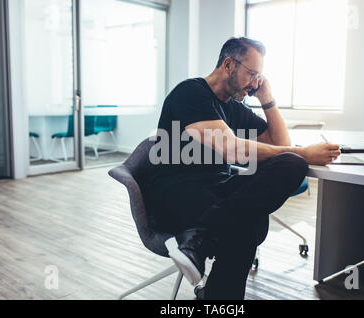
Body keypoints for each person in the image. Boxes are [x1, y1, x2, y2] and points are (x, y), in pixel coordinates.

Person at [143, 37, 341, 300]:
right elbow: (233, 150)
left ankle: (201, 243)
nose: (253, 84)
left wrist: (267, 99)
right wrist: (305, 152)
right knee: (250, 222)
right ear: (228, 64)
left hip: (214, 194)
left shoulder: (234, 108)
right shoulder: (191, 93)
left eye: (258, 76)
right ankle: (212, 283)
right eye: (251, 74)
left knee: (292, 164)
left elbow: (281, 144)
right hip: (175, 196)